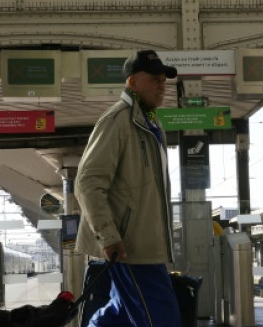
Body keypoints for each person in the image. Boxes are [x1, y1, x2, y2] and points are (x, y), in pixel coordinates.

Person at [75, 50, 181, 327]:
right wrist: (108, 236)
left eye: (164, 80)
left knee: (119, 316)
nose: (162, 85)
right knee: (162, 318)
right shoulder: (117, 121)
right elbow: (88, 182)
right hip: (131, 248)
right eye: (155, 79)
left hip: (144, 244)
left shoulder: (150, 123)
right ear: (132, 83)